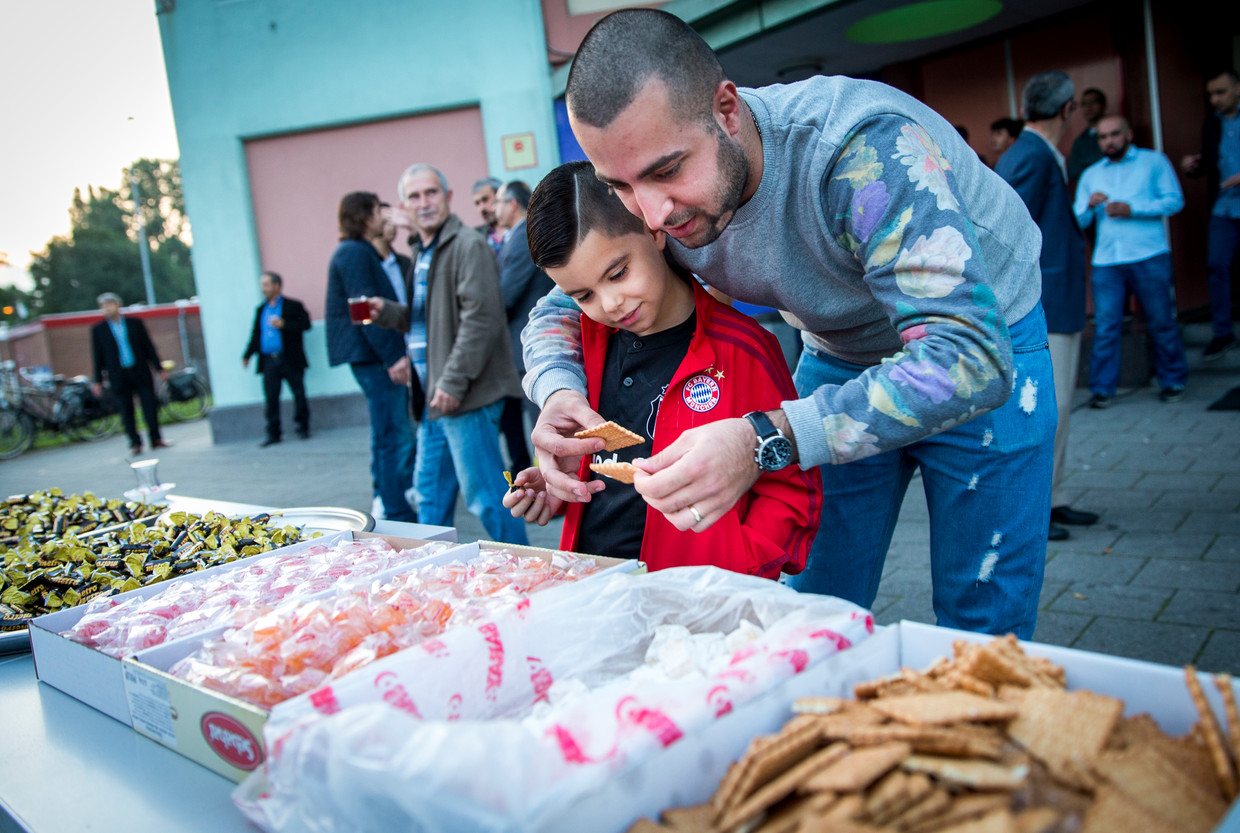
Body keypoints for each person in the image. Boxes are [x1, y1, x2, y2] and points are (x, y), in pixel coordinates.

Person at [522, 9, 1055, 638]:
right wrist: (557, 390)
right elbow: (561, 304)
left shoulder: (863, 149)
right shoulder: (650, 195)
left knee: (984, 620)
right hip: (840, 353)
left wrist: (761, 440)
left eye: (668, 171)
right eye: (622, 186)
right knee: (810, 610)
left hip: (982, 345)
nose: (653, 214)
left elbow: (967, 359)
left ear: (726, 110)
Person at [504, 161, 821, 575]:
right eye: (583, 295)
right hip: (595, 587)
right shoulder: (584, 352)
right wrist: (561, 487)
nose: (610, 304)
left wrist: (740, 563)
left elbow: (793, 488)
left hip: (702, 604)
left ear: (654, 231)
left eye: (618, 273)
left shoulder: (743, 350)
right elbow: (612, 469)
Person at [371, 164, 528, 544]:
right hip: (432, 399)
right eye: (414, 196)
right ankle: (433, 572)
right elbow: (430, 318)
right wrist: (388, 313)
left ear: (447, 198)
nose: (423, 203)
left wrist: (454, 380)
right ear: (404, 205)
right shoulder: (423, 250)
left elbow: (482, 319)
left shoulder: (467, 246)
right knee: (431, 498)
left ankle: (523, 569)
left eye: (431, 193)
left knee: (487, 498)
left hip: (464, 395)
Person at [995, 71, 1099, 542]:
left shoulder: (1035, 153)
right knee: (1047, 409)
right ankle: (1036, 507)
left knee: (1058, 408)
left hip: (1054, 298)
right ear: (1067, 109)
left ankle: (1052, 499)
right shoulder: (1032, 156)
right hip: (1042, 302)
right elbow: (1003, 231)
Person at [1075, 115, 1187, 407]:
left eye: (1114, 135)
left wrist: (1133, 208)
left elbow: (1175, 200)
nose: (1108, 141)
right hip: (1107, 260)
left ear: (1129, 134)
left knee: (1161, 321)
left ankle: (1173, 381)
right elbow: (1078, 218)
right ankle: (1102, 390)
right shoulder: (1091, 174)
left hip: (1148, 255)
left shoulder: (1154, 162)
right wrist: (1088, 206)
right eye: (1102, 137)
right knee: (1106, 326)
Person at [324, 191, 417, 523]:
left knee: (387, 431)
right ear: (364, 216)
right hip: (373, 358)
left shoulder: (359, 252)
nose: (384, 216)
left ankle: (388, 498)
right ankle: (397, 510)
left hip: (371, 355)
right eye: (379, 210)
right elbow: (363, 310)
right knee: (394, 433)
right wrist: (393, 357)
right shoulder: (354, 253)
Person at [494, 179, 553, 472]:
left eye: (498, 202)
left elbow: (504, 295)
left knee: (542, 418)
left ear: (512, 204)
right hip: (530, 342)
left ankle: (556, 481)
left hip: (530, 344)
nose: (494, 209)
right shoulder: (515, 236)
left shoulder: (522, 237)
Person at [1181, 69, 1240, 360]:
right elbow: (1212, 162)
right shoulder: (1211, 123)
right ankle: (1222, 333)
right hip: (1224, 207)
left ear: (1238, 89)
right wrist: (1196, 165)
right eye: (1211, 94)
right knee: (1217, 265)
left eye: (1221, 92)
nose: (1215, 99)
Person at [90, 292, 170, 457]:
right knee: (126, 410)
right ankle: (135, 443)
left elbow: (148, 346)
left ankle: (156, 439)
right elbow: (97, 356)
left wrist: (159, 368)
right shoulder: (98, 330)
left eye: (109, 304)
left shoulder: (135, 323)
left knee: (150, 405)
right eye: (103, 306)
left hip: (139, 370)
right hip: (118, 375)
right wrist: (97, 381)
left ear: (118, 305)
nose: (106, 308)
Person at [242, 271, 311, 446]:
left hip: (289, 358)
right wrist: (248, 355)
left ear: (276, 286)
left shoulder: (293, 306)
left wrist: (284, 324)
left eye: (266, 284)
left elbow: (306, 324)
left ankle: (302, 427)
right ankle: (273, 433)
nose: (263, 289)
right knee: (271, 397)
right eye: (262, 285)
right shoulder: (261, 309)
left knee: (299, 393)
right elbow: (256, 335)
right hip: (269, 361)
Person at [1066, 87, 1107, 184]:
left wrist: (1085, 164)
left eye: (1093, 102)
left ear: (1104, 105)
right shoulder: (1080, 141)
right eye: (1084, 103)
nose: (1089, 107)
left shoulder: (1116, 134)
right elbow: (1072, 172)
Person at [471, 177, 505, 255]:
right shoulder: (477, 236)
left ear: (500, 196)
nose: (481, 208)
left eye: (485, 199)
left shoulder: (520, 228)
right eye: (477, 203)